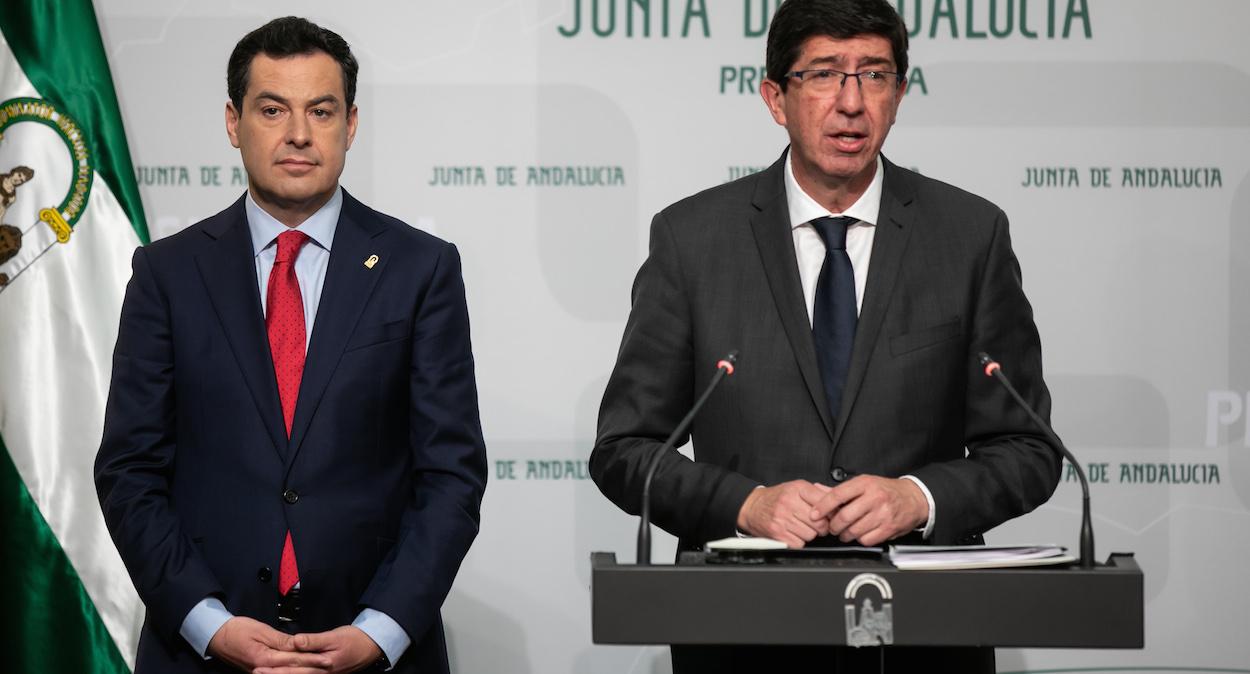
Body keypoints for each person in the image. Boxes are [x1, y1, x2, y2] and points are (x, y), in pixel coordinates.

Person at [589, 0, 1061, 671]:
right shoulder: (693, 241)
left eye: (874, 75)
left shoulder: (969, 236)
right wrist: (744, 504)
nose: (851, 102)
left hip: (924, 637)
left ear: (899, 95)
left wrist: (919, 497)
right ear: (776, 98)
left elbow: (1028, 449)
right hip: (741, 633)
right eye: (824, 75)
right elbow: (624, 450)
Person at [95, 17, 487, 674]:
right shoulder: (167, 274)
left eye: (321, 111)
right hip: (201, 653)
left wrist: (381, 630)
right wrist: (209, 624)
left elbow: (450, 476)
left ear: (350, 125)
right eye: (272, 109)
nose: (298, 133)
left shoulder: (421, 269)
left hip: (376, 650)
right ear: (232, 122)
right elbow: (129, 472)